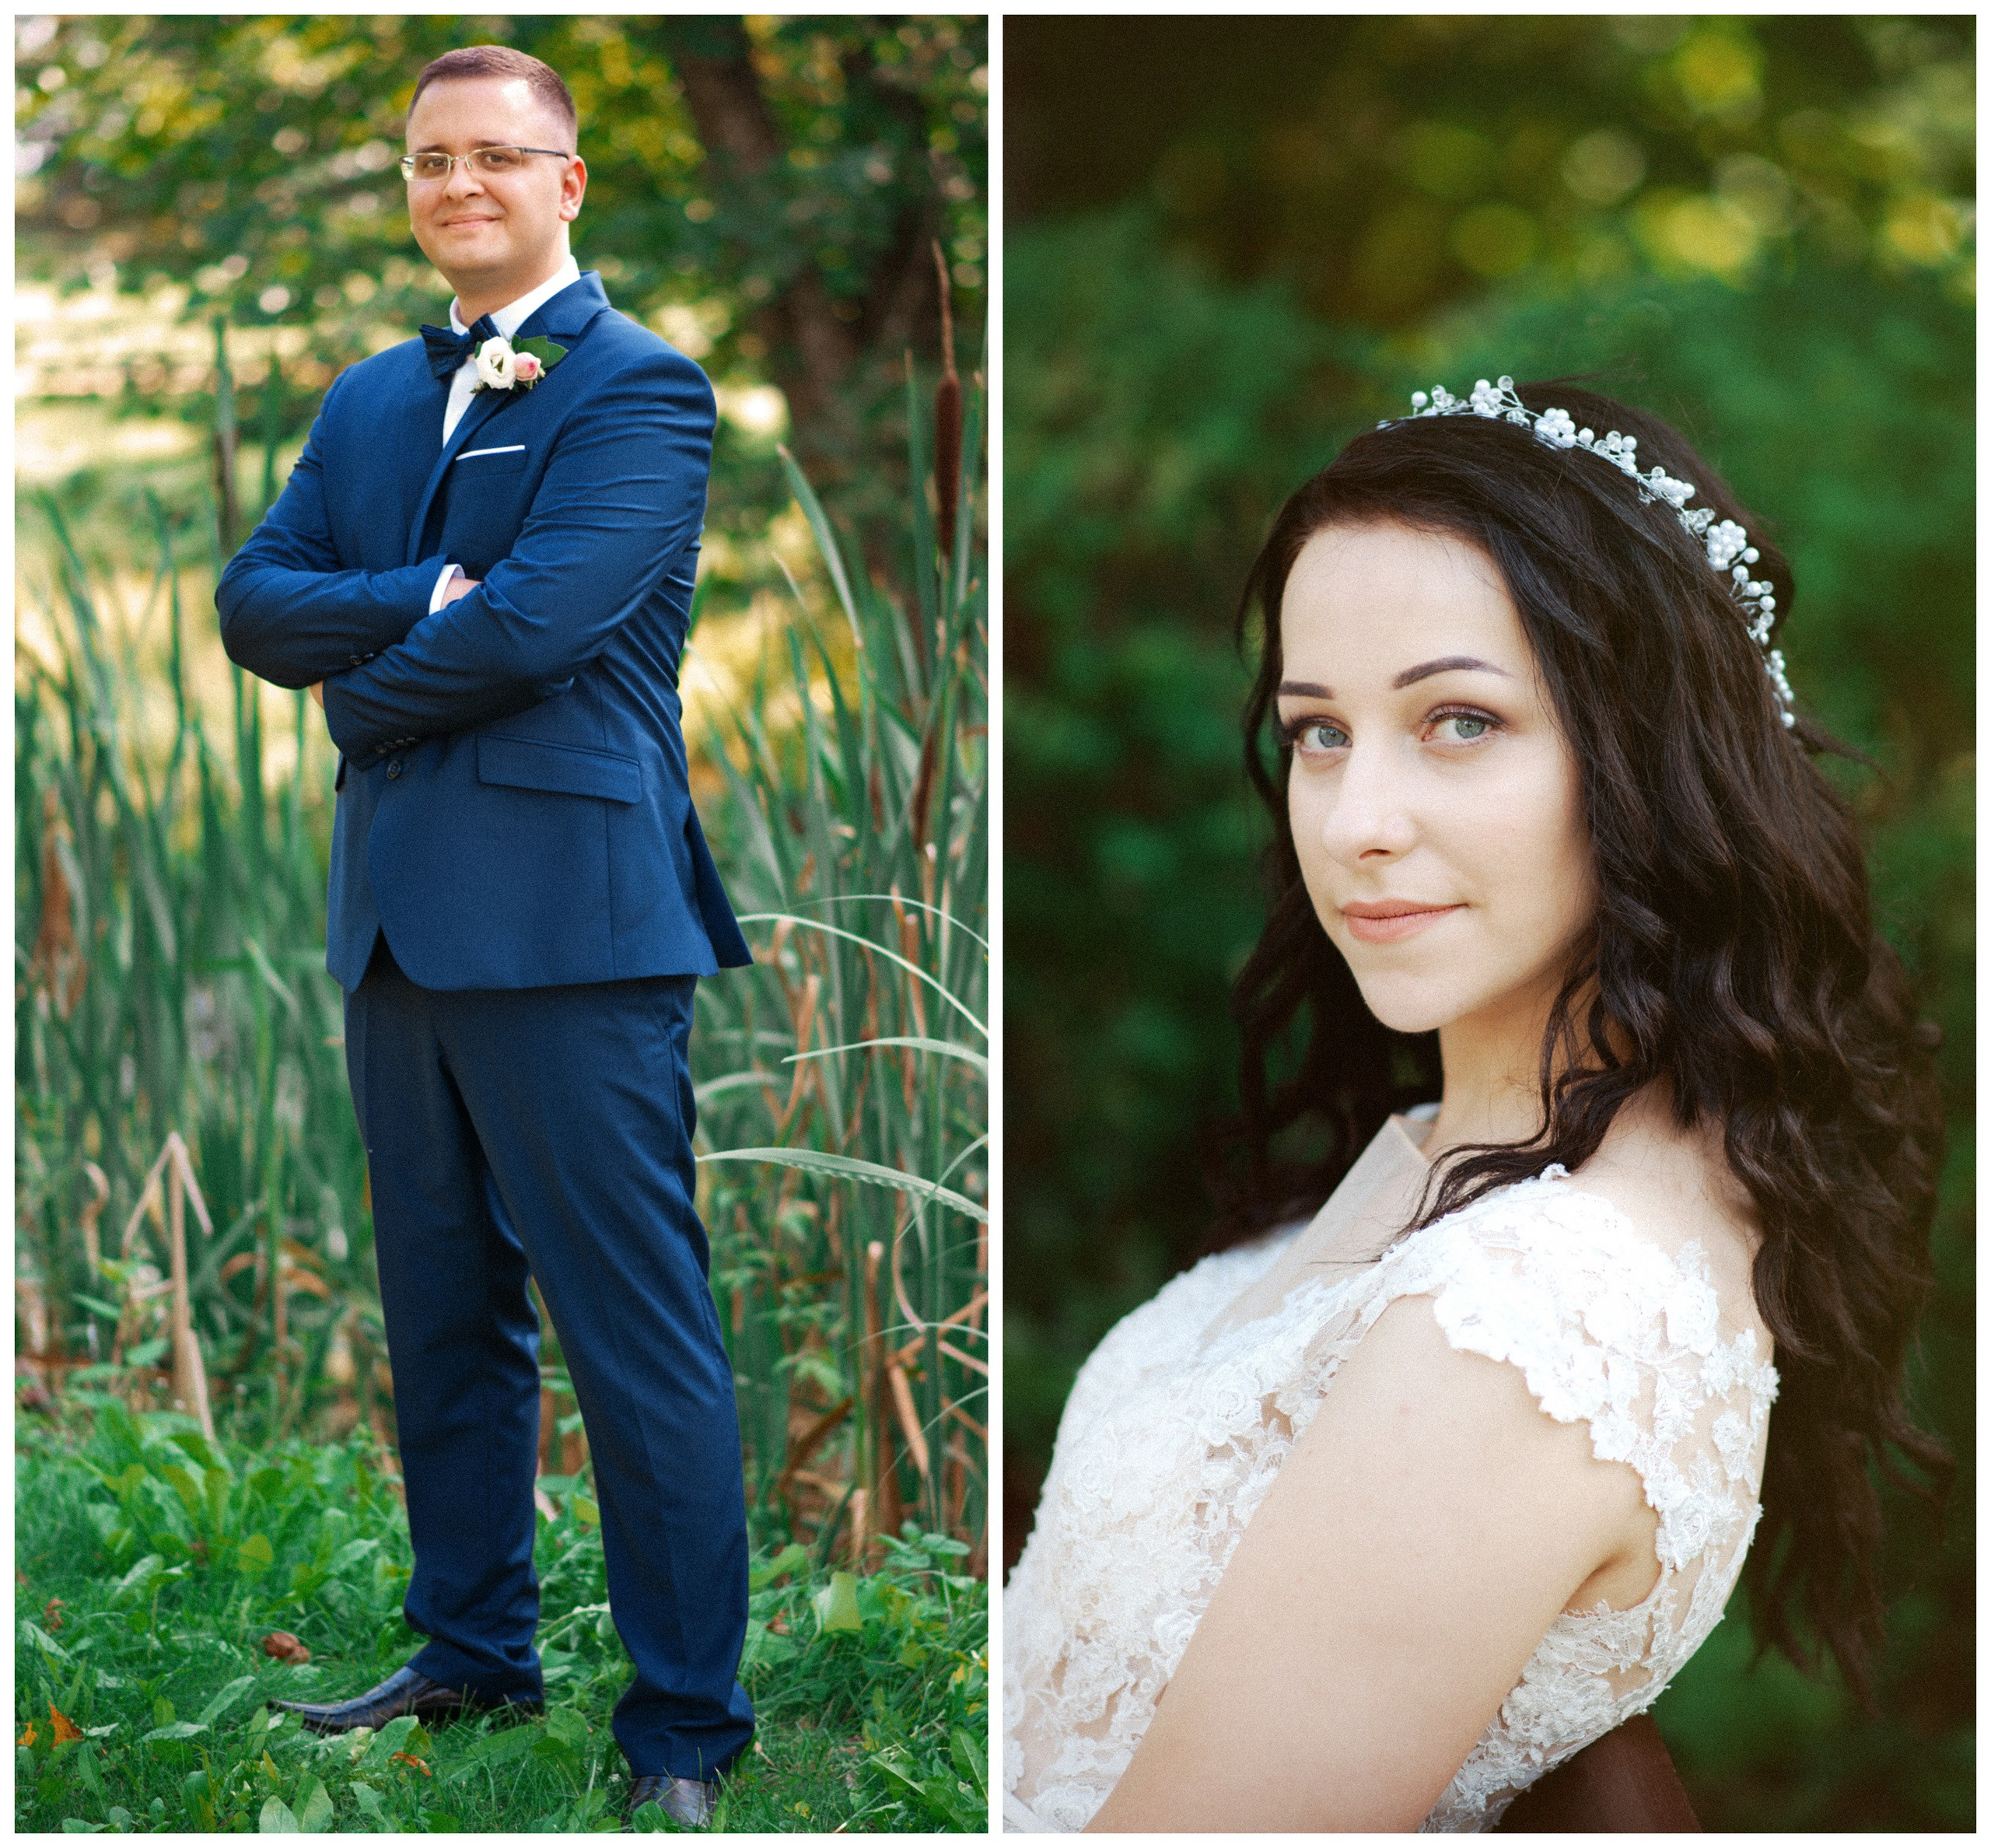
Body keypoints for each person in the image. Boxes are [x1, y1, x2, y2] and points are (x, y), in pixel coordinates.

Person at [1002, 376, 1947, 1831]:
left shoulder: (1537, 1323)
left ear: (1645, 754)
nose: (1357, 822)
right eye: (1320, 732)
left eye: (1458, 721)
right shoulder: (1470, 1158)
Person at [217, 44, 754, 1830]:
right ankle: (469, 1652)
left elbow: (539, 628)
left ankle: (684, 1728)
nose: (459, 185)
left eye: (496, 157)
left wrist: (357, 692)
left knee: (632, 1334)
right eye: (431, 160)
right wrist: (413, 597)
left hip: (572, 929)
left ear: (566, 181)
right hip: (393, 929)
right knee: (443, 1319)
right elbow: (253, 601)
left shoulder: (640, 388)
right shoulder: (373, 395)